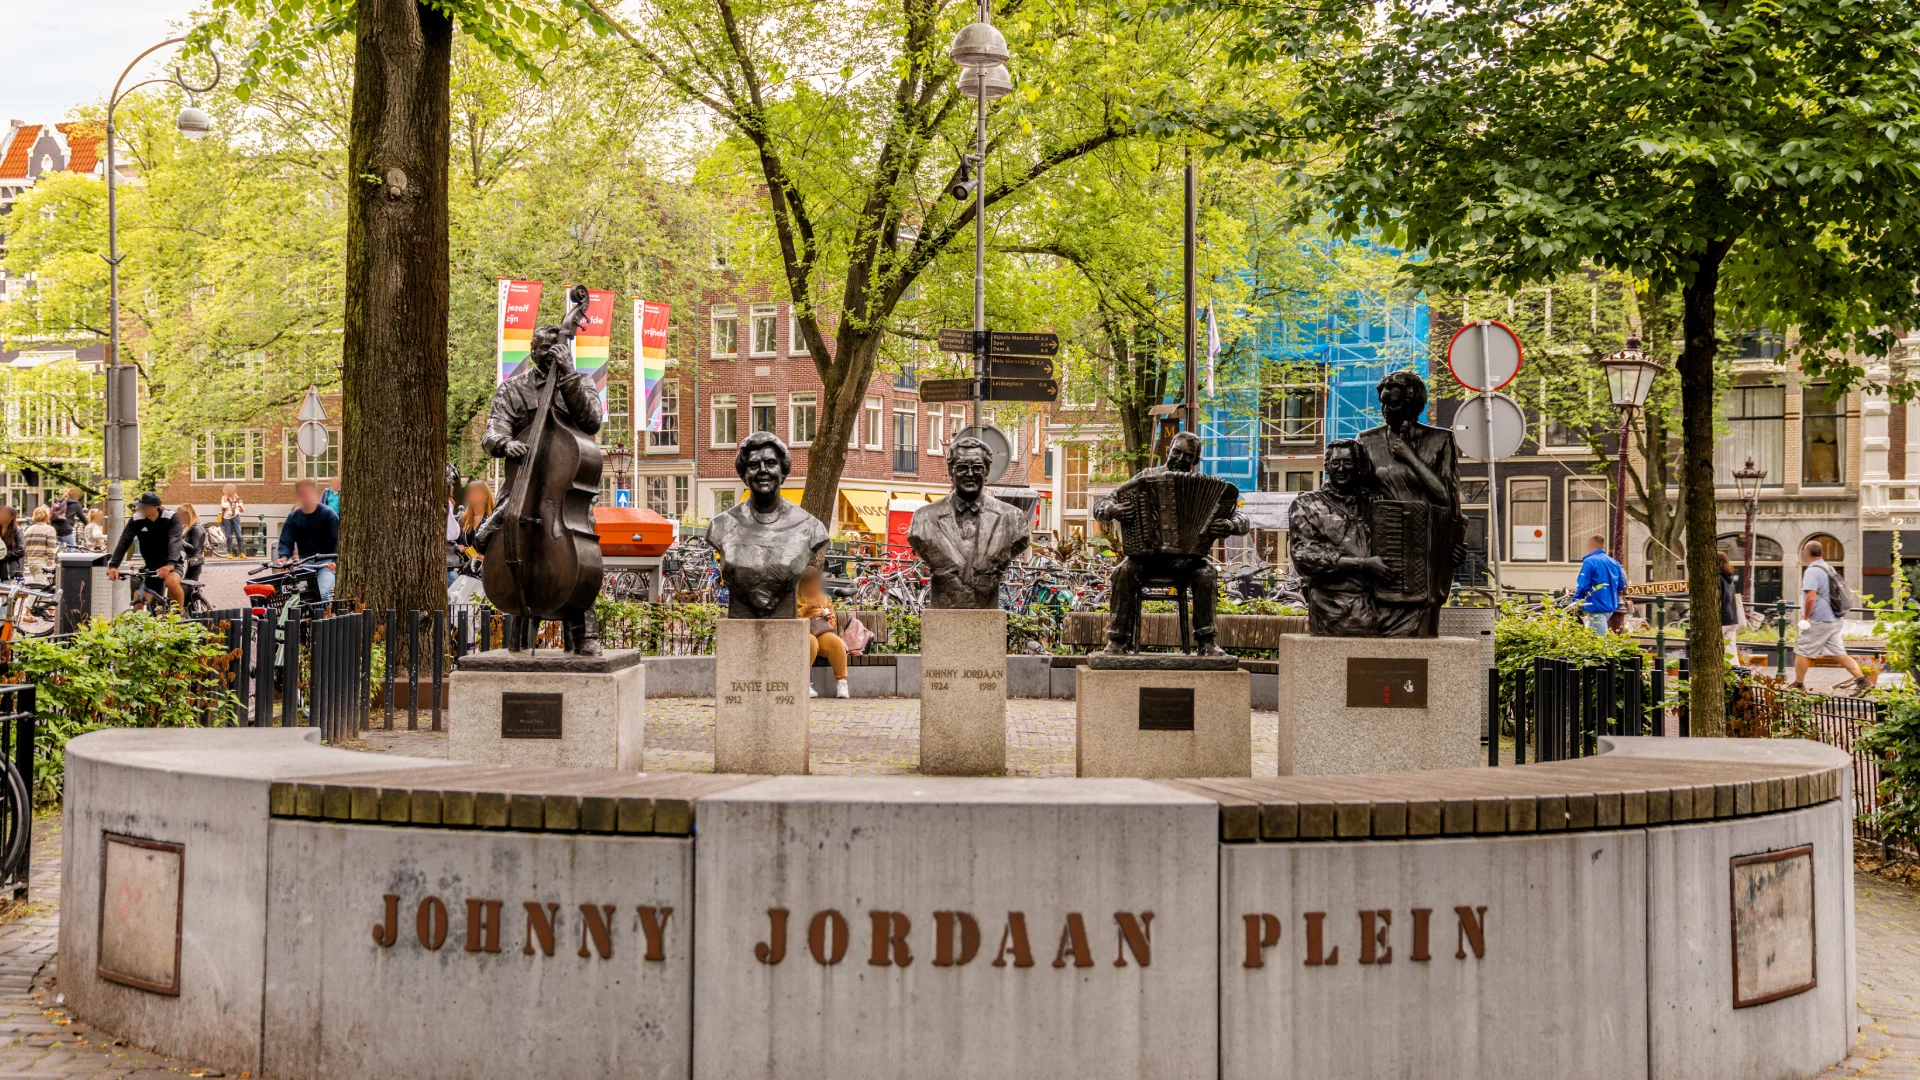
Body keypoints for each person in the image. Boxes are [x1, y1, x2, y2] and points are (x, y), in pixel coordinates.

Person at [1289, 439, 1390, 635]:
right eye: (1335, 463)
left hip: (1380, 605)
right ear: (1326, 466)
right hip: (1332, 607)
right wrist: (1362, 564)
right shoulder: (1306, 504)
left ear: (1358, 467)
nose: (1341, 469)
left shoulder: (1375, 502)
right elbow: (1303, 556)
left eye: (1348, 463)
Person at [1793, 539, 1865, 692]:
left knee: (1801, 650)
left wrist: (1805, 618)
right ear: (1822, 553)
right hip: (1834, 618)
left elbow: (1811, 597)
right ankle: (1863, 682)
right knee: (1839, 653)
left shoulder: (1812, 571)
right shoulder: (1828, 568)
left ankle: (1798, 686)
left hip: (1819, 619)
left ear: (1806, 554)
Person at [106, 492, 186, 611]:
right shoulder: (136, 519)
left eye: (144, 507)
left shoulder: (171, 517)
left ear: (155, 507)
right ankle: (140, 626)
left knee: (171, 581)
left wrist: (170, 564)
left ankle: (179, 616)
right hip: (152, 563)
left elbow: (174, 540)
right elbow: (124, 541)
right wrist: (113, 565)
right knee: (138, 598)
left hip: (175, 561)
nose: (140, 509)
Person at [277, 477, 340, 601]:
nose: (306, 497)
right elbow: (286, 540)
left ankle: (325, 619)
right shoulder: (293, 517)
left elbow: (337, 540)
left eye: (308, 493)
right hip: (305, 561)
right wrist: (283, 557)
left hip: (326, 562)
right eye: (302, 494)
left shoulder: (328, 514)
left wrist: (334, 561)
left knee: (321, 594)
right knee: (299, 595)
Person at [797, 567, 850, 699]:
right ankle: (804, 683)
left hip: (819, 632)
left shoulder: (822, 597)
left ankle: (841, 682)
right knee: (811, 642)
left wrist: (829, 618)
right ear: (803, 583)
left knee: (836, 642)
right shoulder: (794, 597)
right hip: (800, 633)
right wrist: (806, 607)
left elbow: (831, 624)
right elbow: (790, 619)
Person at [1572, 534, 1626, 634]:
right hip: (1610, 606)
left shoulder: (1589, 562)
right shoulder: (1614, 563)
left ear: (1592, 545)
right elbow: (1621, 585)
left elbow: (1583, 584)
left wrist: (1576, 600)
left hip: (1596, 606)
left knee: (1600, 640)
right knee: (1591, 634)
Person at [1718, 551, 1744, 661]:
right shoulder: (1728, 578)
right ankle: (1734, 673)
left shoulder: (1717, 579)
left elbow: (1721, 599)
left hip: (1722, 619)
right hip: (1732, 618)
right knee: (1730, 649)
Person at [21, 506, 59, 582]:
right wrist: (51, 563)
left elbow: (24, 548)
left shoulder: (28, 530)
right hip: (42, 563)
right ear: (46, 516)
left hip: (31, 562)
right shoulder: (49, 529)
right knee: (40, 588)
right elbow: (51, 549)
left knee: (36, 584)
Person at [176, 504, 208, 581]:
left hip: (194, 563)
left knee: (188, 587)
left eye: (179, 515)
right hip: (187, 562)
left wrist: (179, 539)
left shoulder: (197, 528)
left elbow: (194, 549)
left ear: (187, 515)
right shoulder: (186, 528)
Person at [219, 483, 247, 558]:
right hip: (226, 518)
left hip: (236, 517)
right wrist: (230, 502)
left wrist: (240, 506)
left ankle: (241, 552)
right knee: (229, 536)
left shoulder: (237, 498)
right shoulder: (224, 497)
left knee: (239, 536)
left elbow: (242, 510)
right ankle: (230, 552)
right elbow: (223, 505)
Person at [0, 506, 21, 582]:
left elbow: (20, 550)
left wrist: (3, 556)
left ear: (11, 517)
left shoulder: (17, 531)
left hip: (10, 573)